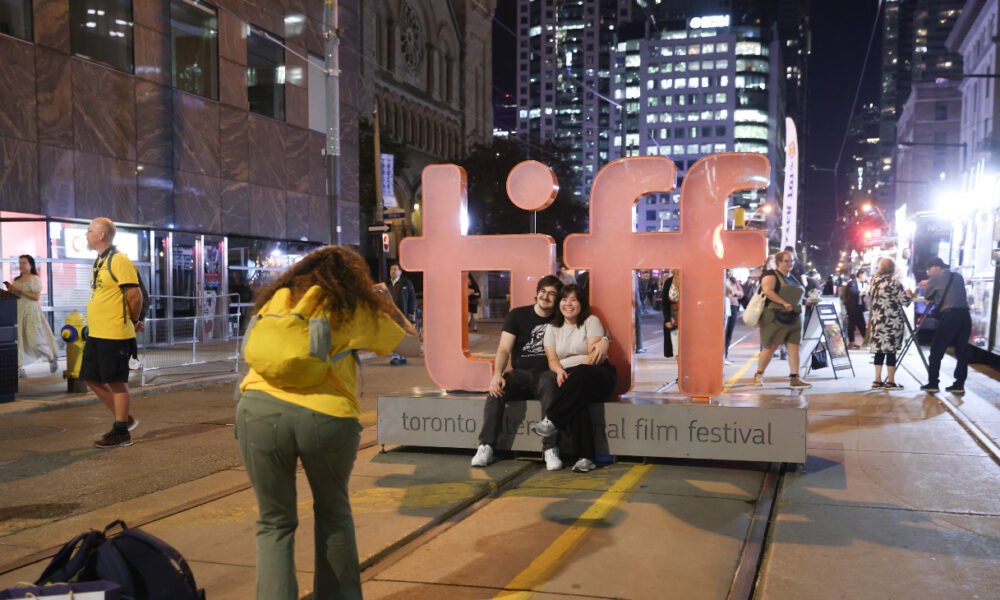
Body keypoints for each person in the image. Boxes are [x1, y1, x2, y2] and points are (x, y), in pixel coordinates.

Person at [237, 246, 413, 600]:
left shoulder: (276, 300)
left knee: (273, 523)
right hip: (326, 417)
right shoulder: (350, 305)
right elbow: (413, 346)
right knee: (333, 514)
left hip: (257, 410)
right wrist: (389, 305)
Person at [470, 275, 610, 469]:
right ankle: (485, 446)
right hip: (521, 374)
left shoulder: (563, 317)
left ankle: (550, 448)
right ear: (536, 294)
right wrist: (496, 375)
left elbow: (594, 336)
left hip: (548, 375)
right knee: (496, 390)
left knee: (551, 383)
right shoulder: (519, 315)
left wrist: (605, 340)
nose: (546, 296)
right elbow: (503, 349)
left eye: (552, 294)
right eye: (543, 291)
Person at [532, 285, 616, 473]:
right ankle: (586, 458)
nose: (568, 304)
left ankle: (551, 420)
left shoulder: (591, 321)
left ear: (581, 303)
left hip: (596, 374)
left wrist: (572, 377)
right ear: (558, 303)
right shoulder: (552, 328)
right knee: (578, 400)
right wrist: (560, 372)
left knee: (580, 376)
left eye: (574, 300)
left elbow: (593, 357)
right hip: (571, 377)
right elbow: (552, 360)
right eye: (564, 299)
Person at [80, 218, 143, 449]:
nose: (86, 235)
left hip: (115, 333)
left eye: (89, 231)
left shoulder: (119, 260)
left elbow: (135, 296)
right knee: (90, 376)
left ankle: (121, 431)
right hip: (98, 333)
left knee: (116, 382)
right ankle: (123, 418)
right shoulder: (100, 260)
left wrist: (134, 321)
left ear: (101, 235)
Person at [752, 250, 814, 389]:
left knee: (794, 347)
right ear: (778, 262)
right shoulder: (771, 275)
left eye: (791, 261)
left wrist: (806, 301)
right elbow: (768, 291)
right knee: (770, 348)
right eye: (786, 261)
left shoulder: (792, 277)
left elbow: (796, 296)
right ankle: (758, 374)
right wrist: (784, 303)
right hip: (775, 317)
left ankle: (795, 378)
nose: (789, 264)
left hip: (794, 317)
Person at [918, 257, 971, 394]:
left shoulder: (934, 277)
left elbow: (927, 297)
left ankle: (933, 383)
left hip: (950, 316)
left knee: (936, 350)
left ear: (935, 267)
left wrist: (928, 282)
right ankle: (959, 385)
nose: (928, 273)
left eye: (928, 270)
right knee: (961, 351)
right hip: (965, 316)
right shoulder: (958, 276)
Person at [4, 255, 58, 376]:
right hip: (18, 311)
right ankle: (19, 368)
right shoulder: (17, 280)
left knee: (34, 340)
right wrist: (11, 289)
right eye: (20, 263)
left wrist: (20, 290)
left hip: (31, 312)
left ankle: (50, 356)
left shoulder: (35, 279)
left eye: (24, 263)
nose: (21, 265)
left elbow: (36, 297)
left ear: (31, 264)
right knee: (18, 340)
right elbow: (13, 295)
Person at [867, 257, 913, 389]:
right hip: (892, 322)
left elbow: (870, 295)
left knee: (879, 351)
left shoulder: (874, 281)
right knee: (891, 351)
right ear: (893, 268)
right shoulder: (895, 283)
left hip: (877, 321)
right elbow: (905, 302)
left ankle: (877, 380)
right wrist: (909, 295)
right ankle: (891, 382)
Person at [387, 262, 417, 365]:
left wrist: (411, 312)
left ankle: (399, 356)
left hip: (403, 314)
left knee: (401, 336)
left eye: (395, 269)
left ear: (400, 272)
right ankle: (397, 356)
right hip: (391, 315)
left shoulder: (406, 283)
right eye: (391, 269)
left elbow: (412, 298)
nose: (393, 271)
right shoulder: (387, 284)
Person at [842, 270, 868, 349]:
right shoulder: (852, 283)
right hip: (852, 307)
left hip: (859, 307)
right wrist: (862, 292)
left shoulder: (864, 284)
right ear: (860, 274)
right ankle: (851, 342)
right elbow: (853, 292)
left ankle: (866, 342)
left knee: (862, 324)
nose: (866, 277)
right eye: (865, 275)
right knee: (852, 324)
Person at [724, 272, 743, 364]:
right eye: (728, 270)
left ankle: (725, 355)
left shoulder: (734, 281)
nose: (729, 272)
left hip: (733, 306)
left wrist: (735, 293)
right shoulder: (721, 279)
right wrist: (732, 292)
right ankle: (722, 356)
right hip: (724, 306)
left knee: (729, 332)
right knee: (723, 332)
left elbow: (741, 293)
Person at [661, 270, 679, 358]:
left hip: (687, 317)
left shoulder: (689, 280)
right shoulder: (669, 282)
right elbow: (665, 303)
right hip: (673, 318)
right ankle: (679, 364)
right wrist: (667, 319)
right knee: (676, 348)